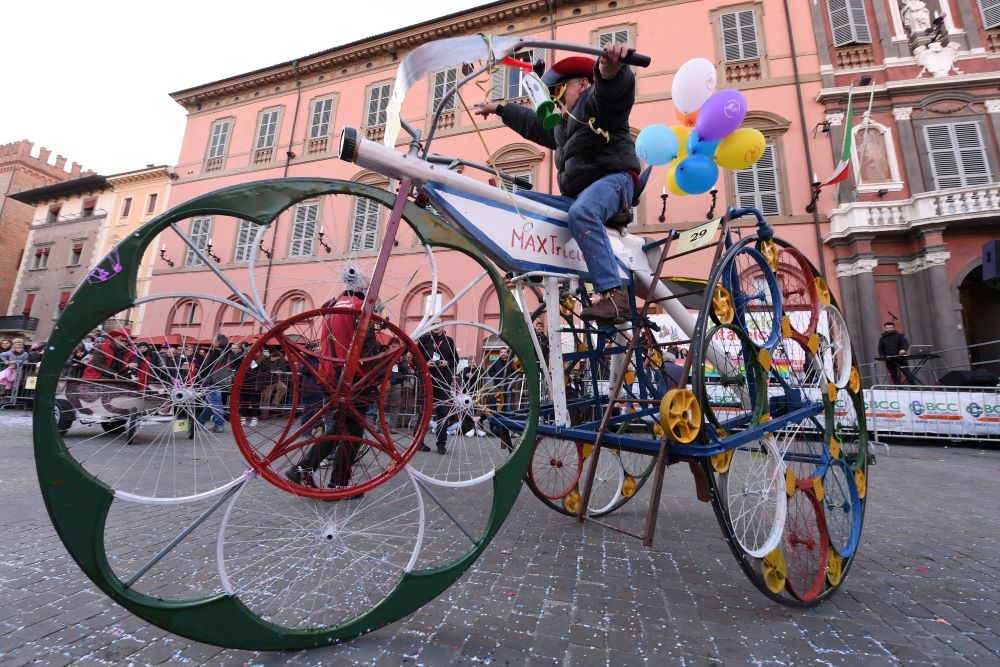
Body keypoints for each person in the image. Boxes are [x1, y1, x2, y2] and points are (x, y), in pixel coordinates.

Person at [475, 42, 640, 322]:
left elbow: (614, 93)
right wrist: (500, 108)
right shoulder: (563, 127)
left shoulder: (596, 104)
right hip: (579, 196)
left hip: (615, 181)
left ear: (583, 84)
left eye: (559, 92)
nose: (556, 102)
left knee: (583, 212)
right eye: (552, 96)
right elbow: (532, 123)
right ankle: (534, 262)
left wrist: (611, 70)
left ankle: (614, 295)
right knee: (521, 202)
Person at [286, 288, 378, 492]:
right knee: (352, 433)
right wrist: (376, 378)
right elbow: (368, 348)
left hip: (328, 376)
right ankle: (339, 484)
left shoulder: (331, 309)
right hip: (352, 379)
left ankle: (303, 469)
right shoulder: (360, 309)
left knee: (337, 428)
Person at [416, 326, 458, 454]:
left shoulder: (449, 341)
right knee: (424, 412)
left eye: (439, 323)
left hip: (443, 381)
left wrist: (447, 363)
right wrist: (424, 363)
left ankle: (441, 443)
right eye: (434, 323)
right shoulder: (424, 340)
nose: (436, 326)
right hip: (427, 380)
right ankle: (418, 442)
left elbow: (455, 360)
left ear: (443, 325)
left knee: (443, 413)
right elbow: (415, 357)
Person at [195, 333, 233, 433]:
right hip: (224, 380)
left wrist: (201, 374)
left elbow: (209, 365)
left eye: (214, 340)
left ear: (218, 342)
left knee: (215, 403)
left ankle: (219, 425)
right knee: (209, 403)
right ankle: (200, 422)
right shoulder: (229, 352)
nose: (212, 343)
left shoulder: (216, 351)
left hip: (213, 380)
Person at [877, 321, 917, 385]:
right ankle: (898, 388)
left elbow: (906, 343)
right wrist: (882, 356)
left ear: (894, 328)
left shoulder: (900, 335)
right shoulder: (882, 338)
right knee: (894, 374)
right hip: (889, 359)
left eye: (891, 327)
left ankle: (914, 386)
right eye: (887, 328)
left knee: (907, 372)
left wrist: (903, 349)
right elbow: (880, 349)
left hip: (900, 358)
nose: (889, 329)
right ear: (885, 328)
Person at [260, 348, 289, 419]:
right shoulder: (265, 362)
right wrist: (275, 371)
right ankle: (264, 414)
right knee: (266, 398)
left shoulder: (281, 361)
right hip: (267, 382)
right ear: (275, 356)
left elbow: (284, 370)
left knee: (283, 387)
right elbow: (263, 371)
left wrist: (280, 372)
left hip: (276, 380)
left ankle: (275, 403)